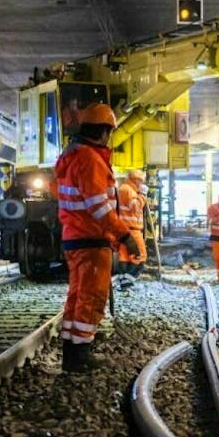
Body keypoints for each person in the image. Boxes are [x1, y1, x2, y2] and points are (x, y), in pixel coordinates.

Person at [55, 103, 141, 372]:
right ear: (104, 132)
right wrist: (124, 235)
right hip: (90, 238)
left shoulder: (71, 156)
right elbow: (99, 207)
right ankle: (80, 354)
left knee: (77, 295)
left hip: (75, 236)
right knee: (92, 297)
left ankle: (71, 351)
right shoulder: (90, 159)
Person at [117, 169, 148, 286]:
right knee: (140, 256)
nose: (141, 184)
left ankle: (122, 281)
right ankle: (128, 280)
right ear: (136, 180)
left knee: (125, 256)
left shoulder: (125, 189)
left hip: (125, 229)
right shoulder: (128, 190)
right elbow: (135, 207)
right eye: (141, 181)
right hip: (132, 230)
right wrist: (143, 195)